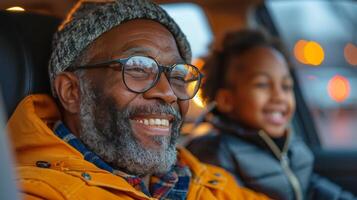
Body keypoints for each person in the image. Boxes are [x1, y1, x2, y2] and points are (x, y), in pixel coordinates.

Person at [6, 1, 270, 199]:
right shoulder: (31, 192)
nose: (167, 92)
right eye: (138, 68)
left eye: (177, 74)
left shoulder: (209, 182)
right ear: (71, 92)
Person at [187, 29, 356, 200]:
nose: (279, 96)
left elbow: (309, 187)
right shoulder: (215, 153)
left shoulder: (290, 144)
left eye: (286, 86)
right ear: (226, 100)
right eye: (262, 85)